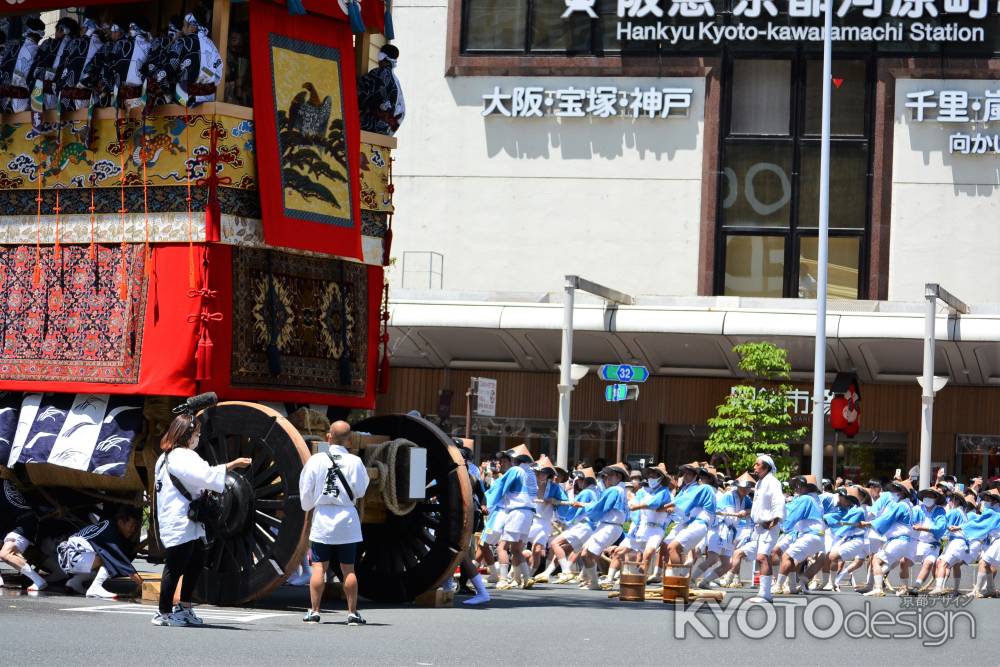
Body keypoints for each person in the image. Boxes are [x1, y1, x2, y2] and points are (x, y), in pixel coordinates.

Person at [154, 413, 251, 626]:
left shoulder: (167, 456)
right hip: (181, 518)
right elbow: (205, 475)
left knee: (195, 563)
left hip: (188, 518)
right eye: (196, 434)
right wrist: (231, 465)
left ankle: (184, 608)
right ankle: (163, 612)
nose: (197, 438)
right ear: (187, 435)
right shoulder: (180, 456)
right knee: (175, 566)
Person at [299, 420, 370, 625]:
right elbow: (361, 490)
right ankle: (352, 613)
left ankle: (314, 611)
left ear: (328, 437)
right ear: (349, 440)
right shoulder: (355, 462)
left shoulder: (316, 460)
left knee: (319, 567)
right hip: (347, 519)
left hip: (323, 517)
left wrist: (308, 505)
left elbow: (306, 490)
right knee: (348, 568)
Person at [56, 506, 143, 598]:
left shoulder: (110, 526)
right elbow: (121, 561)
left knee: (106, 559)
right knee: (108, 558)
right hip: (69, 555)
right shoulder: (111, 532)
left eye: (135, 527)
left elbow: (129, 551)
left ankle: (74, 582)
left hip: (71, 558)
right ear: (121, 522)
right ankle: (95, 587)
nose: (133, 530)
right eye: (132, 525)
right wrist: (142, 584)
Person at [743, 454, 786, 602]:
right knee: (762, 558)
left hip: (769, 525)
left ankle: (765, 594)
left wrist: (775, 519)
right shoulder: (760, 483)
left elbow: (778, 501)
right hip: (759, 526)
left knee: (762, 557)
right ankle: (764, 592)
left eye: (757, 464)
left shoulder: (772, 482)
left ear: (766, 466)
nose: (754, 466)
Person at [170, 10, 223, 106]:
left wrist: (173, 42)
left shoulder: (184, 41)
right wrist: (206, 73)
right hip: (208, 97)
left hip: (186, 96)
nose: (182, 29)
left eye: (184, 25)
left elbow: (170, 67)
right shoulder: (211, 45)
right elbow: (218, 75)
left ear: (193, 27)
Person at [357, 44, 404, 135]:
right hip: (386, 130)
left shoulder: (378, 73)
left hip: (369, 126)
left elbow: (361, 95)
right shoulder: (396, 81)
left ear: (381, 56)